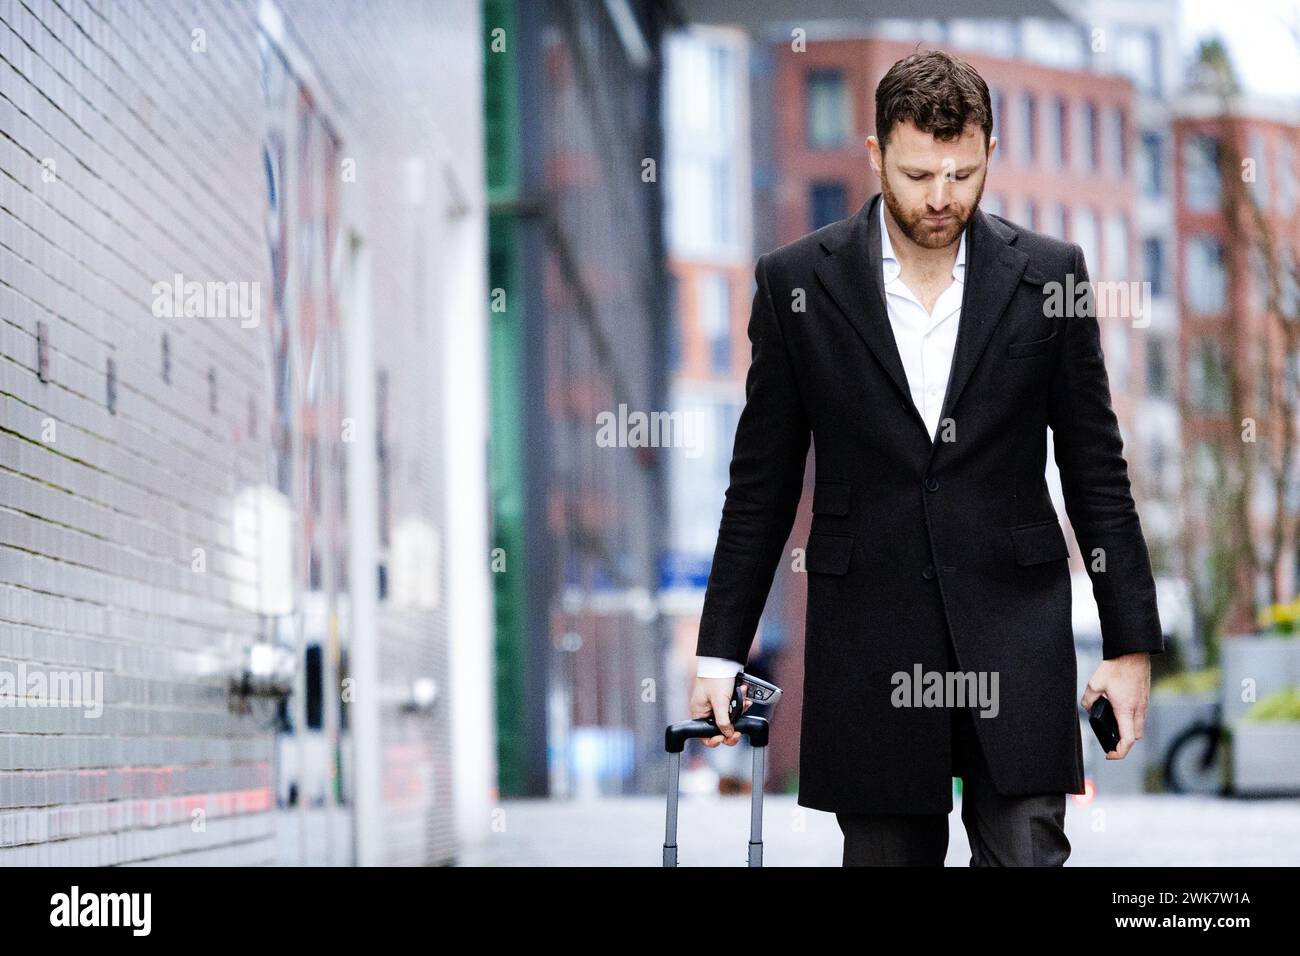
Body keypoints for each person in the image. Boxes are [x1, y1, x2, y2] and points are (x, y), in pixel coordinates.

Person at [689, 50, 1163, 866]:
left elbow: (1095, 471)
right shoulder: (795, 284)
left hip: (1017, 634)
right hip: (868, 637)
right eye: (917, 175)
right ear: (875, 156)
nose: (941, 198)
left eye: (962, 173)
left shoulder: (1053, 276)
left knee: (1028, 855)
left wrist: (1128, 648)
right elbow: (760, 486)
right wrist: (718, 652)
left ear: (988, 154)